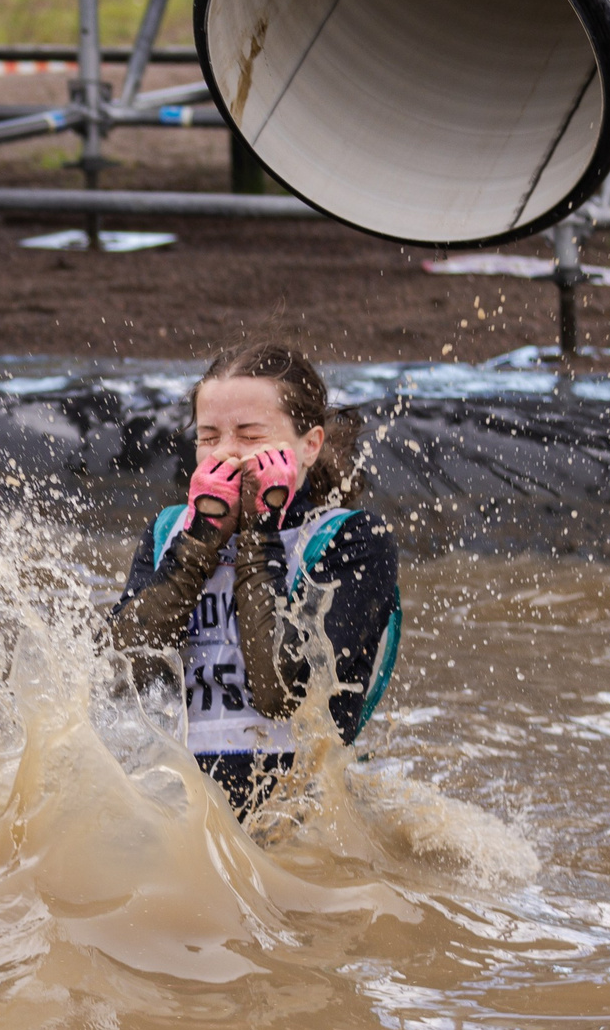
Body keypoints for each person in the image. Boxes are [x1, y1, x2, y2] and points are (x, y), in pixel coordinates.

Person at [107, 342, 402, 813]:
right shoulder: (169, 533)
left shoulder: (353, 538)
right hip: (177, 802)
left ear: (309, 446)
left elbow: (281, 693)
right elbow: (124, 675)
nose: (226, 453)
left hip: (294, 809)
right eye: (209, 437)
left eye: (249, 435)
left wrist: (260, 534)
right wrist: (199, 543)